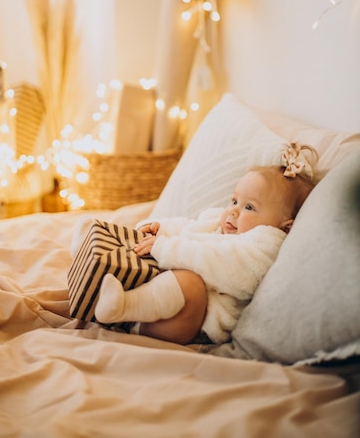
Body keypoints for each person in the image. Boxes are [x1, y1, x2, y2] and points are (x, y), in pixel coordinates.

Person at [94, 143, 316, 346]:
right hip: (162, 299)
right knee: (137, 249)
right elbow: (190, 229)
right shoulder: (223, 221)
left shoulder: (264, 245)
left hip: (195, 322)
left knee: (191, 285)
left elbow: (216, 258)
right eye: (235, 201)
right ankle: (95, 255)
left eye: (249, 207)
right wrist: (162, 230)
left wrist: (164, 247)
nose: (234, 210)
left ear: (284, 228)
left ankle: (123, 308)